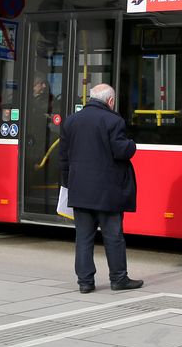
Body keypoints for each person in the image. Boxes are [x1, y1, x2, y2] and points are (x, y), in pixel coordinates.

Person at [58, 83, 142, 293]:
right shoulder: (114, 121)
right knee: (113, 237)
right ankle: (118, 278)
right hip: (108, 192)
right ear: (110, 101)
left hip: (80, 191)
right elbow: (122, 150)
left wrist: (69, 185)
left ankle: (85, 282)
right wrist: (132, 144)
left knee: (83, 239)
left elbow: (63, 158)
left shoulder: (71, 121)